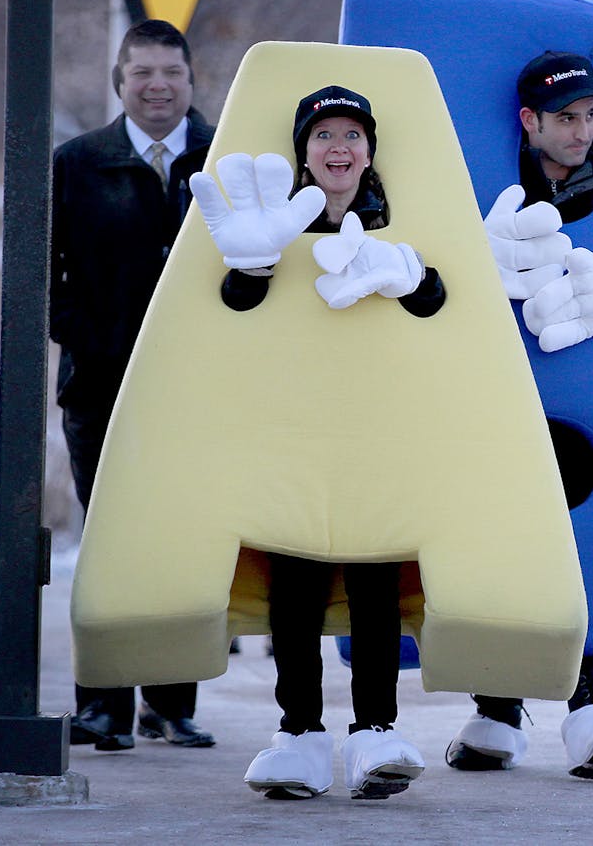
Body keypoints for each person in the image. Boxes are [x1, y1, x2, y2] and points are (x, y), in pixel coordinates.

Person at [191, 85, 444, 800]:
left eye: (353, 136)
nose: (340, 148)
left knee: (374, 590)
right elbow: (232, 310)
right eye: (324, 135)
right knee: (294, 594)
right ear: (303, 152)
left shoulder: (406, 221)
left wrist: (414, 275)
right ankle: (299, 734)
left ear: (371, 152)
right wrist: (254, 266)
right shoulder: (264, 228)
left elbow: (442, 307)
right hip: (291, 436)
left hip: (381, 436)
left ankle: (375, 733)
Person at [446, 51, 593, 780]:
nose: (582, 132)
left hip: (591, 397)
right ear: (529, 122)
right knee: (499, 529)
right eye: (567, 118)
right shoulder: (492, 184)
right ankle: (499, 704)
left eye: (591, 117)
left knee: (583, 527)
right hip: (498, 395)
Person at [50, 19, 217, 752]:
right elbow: (45, 274)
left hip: (203, 393)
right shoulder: (77, 163)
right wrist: (89, 340)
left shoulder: (230, 158)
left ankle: (171, 704)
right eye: (141, 73)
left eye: (170, 74)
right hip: (100, 389)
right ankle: (103, 704)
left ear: (191, 80)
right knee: (112, 543)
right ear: (119, 81)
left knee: (186, 543)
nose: (157, 86)